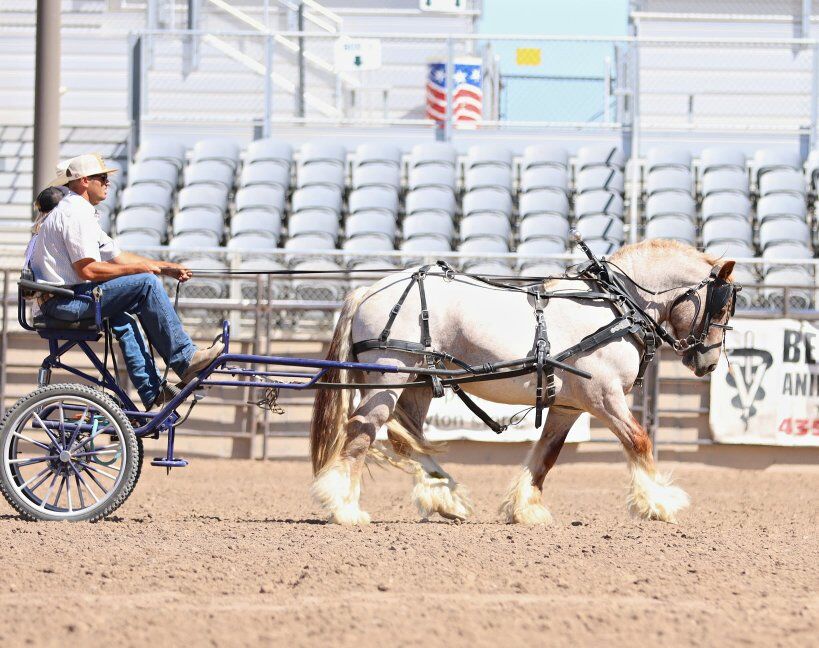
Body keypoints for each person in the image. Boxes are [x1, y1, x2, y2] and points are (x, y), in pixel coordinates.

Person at [28, 153, 223, 409]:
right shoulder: (74, 213)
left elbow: (116, 256)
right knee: (145, 284)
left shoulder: (79, 211)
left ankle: (151, 389)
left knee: (126, 315)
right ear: (84, 181)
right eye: (102, 178)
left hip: (66, 298)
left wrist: (164, 267)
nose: (107, 183)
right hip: (64, 302)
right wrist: (143, 271)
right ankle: (185, 359)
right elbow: (87, 270)